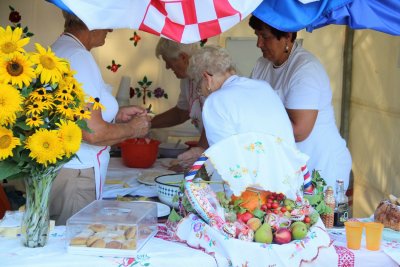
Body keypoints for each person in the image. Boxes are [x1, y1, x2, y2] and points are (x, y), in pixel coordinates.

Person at [49, 11, 151, 225]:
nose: (110, 29)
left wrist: (115, 116)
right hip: (75, 177)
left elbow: (78, 117)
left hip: (66, 172)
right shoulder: (78, 57)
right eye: (107, 23)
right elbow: (92, 132)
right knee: (74, 245)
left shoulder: (63, 49)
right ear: (91, 21)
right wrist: (133, 129)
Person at [248, 15, 352, 190]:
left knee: (318, 217)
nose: (259, 43)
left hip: (321, 168)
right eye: (256, 35)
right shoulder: (262, 65)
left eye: (265, 37)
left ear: (287, 36)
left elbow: (299, 131)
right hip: (291, 169)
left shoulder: (305, 69)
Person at [187, 45, 305, 196]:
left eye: (199, 88)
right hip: (291, 187)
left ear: (207, 78)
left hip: (255, 197)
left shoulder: (215, 101)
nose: (201, 93)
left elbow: (226, 162)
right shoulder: (264, 87)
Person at [153, 38, 208, 168]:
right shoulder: (187, 77)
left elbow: (214, 122)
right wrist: (146, 123)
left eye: (168, 61)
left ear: (183, 57)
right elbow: (181, 113)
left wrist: (194, 159)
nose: (167, 67)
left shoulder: (209, 75)